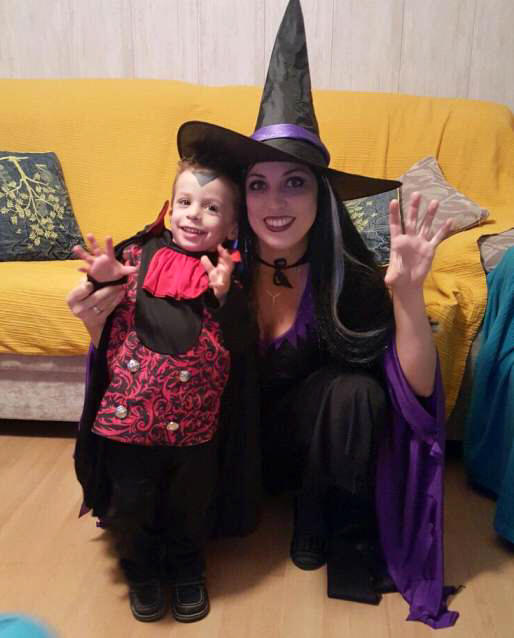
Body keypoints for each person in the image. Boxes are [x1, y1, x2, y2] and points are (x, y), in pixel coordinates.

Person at [69, 0, 459, 628]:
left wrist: (408, 295)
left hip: (307, 451)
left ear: (320, 194)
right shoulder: (203, 262)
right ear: (239, 199)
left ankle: (315, 512)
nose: (275, 202)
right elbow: (135, 342)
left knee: (357, 394)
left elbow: (412, 394)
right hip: (217, 448)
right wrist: (98, 324)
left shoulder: (349, 277)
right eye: (258, 184)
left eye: (294, 182)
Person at [69, 155, 260, 624]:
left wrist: (226, 296)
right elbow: (105, 301)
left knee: (190, 505)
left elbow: (243, 343)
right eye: (185, 202)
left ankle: (188, 568)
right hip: (129, 421)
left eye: (212, 208)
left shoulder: (229, 274)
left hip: (196, 426)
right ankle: (141, 571)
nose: (195, 214)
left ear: (233, 225)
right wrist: (101, 278)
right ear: (169, 208)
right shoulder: (137, 256)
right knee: (132, 503)